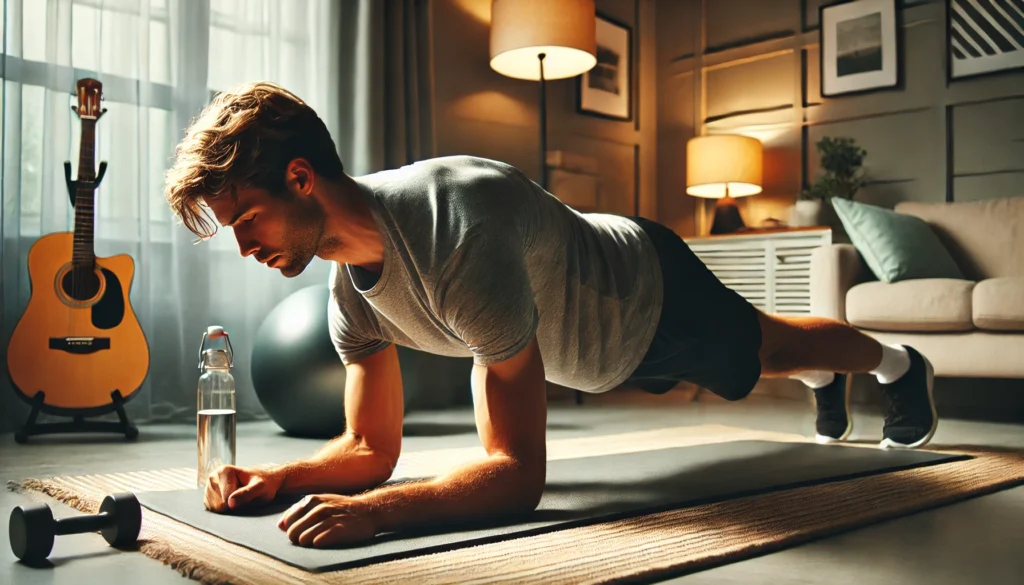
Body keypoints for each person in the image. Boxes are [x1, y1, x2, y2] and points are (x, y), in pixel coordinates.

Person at [164, 82, 937, 549]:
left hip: (645, 294)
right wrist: (277, 476)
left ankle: (898, 363)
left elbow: (518, 475)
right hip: (594, 351)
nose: (243, 248)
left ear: (301, 178)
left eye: (247, 221)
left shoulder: (451, 231)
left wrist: (379, 516)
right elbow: (370, 446)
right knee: (774, 355)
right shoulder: (347, 294)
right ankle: (824, 381)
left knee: (771, 345)